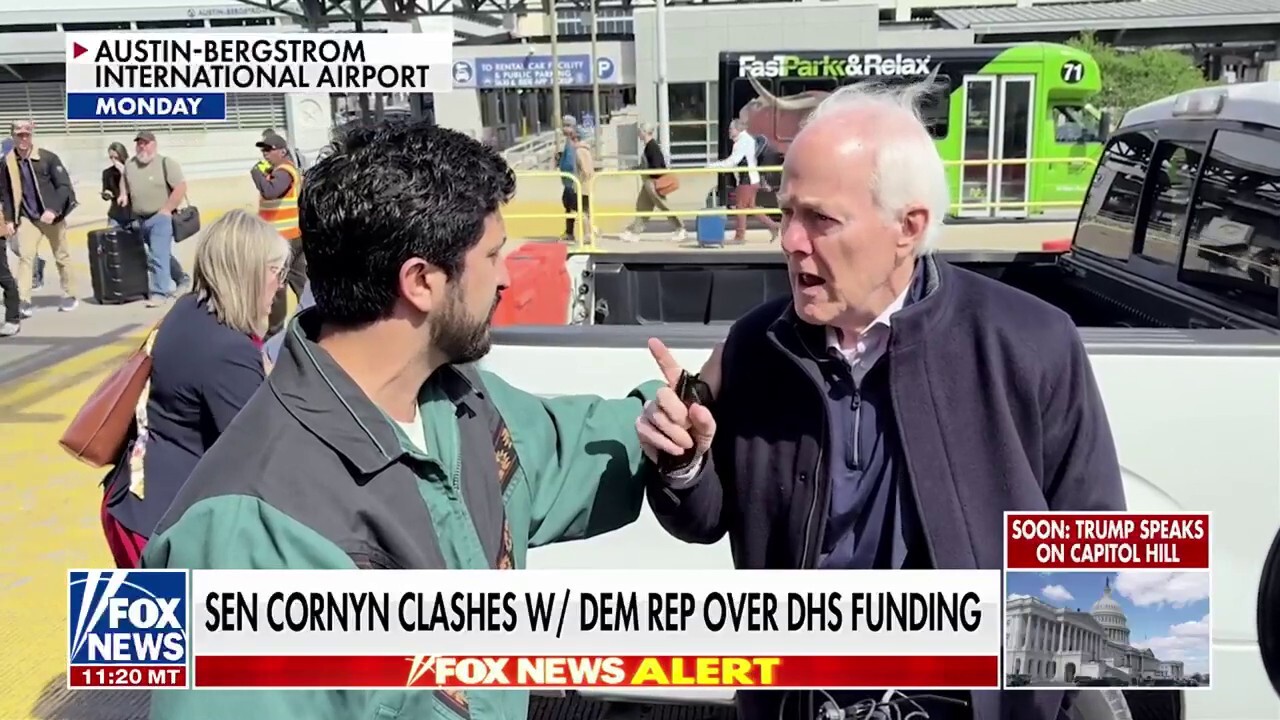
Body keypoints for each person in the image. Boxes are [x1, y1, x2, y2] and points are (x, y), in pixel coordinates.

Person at [636, 82, 1129, 720]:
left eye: (821, 219)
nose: (790, 240)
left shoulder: (1030, 341)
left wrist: (1039, 705)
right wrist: (682, 462)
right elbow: (704, 521)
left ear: (908, 227)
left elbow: (1096, 545)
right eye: (786, 213)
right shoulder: (758, 346)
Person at [142, 121, 662, 719]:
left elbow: (566, 447)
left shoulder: (458, 401)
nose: (506, 278)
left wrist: (685, 400)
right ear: (420, 282)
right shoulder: (246, 536)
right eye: (492, 255)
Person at [100, 209, 288, 569]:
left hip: (135, 498)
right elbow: (261, 457)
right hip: (162, 523)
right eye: (275, 271)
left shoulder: (189, 309)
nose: (280, 285)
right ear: (247, 272)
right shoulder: (228, 350)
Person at [0, 120, 78, 315]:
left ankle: (70, 294)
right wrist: (9, 219)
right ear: (13, 136)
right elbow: (6, 193)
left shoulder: (47, 158)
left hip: (52, 216)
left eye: (26, 134)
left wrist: (53, 210)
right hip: (28, 217)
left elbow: (64, 186)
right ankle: (24, 300)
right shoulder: (7, 162)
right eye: (19, 135)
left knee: (61, 255)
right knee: (25, 256)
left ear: (31, 135)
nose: (23, 138)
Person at [103, 141, 189, 292]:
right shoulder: (108, 173)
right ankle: (128, 285)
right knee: (116, 251)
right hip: (117, 215)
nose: (114, 161)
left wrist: (123, 173)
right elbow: (109, 189)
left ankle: (179, 277)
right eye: (111, 158)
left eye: (116, 157)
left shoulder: (133, 168)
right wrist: (108, 193)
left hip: (135, 216)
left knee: (155, 252)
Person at [122, 130, 189, 308]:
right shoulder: (130, 164)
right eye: (139, 143)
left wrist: (167, 209)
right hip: (139, 219)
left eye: (146, 143)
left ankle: (160, 293)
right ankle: (182, 279)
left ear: (154, 144)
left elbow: (181, 187)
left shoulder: (166, 163)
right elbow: (124, 180)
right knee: (159, 254)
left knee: (158, 255)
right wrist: (123, 194)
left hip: (160, 218)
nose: (142, 147)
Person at [252, 130, 306, 337]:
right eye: (263, 150)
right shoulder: (278, 171)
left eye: (269, 150)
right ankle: (315, 318)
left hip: (284, 239)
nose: (265, 154)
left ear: (282, 152)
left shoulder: (285, 171)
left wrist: (256, 172)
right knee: (300, 281)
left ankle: (274, 333)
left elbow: (270, 191)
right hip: (288, 236)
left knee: (276, 285)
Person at [710, 119, 779, 244]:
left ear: (738, 129)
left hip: (746, 180)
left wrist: (713, 166)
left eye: (731, 129)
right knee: (750, 207)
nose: (729, 131)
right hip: (752, 179)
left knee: (741, 207)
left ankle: (740, 237)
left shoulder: (742, 142)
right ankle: (772, 225)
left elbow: (732, 162)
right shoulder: (746, 140)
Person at [619, 123, 686, 243]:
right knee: (642, 207)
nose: (638, 134)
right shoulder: (649, 146)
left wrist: (648, 176)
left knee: (663, 206)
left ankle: (680, 228)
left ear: (645, 132)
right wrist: (633, 169)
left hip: (653, 183)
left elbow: (657, 166)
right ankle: (635, 232)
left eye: (640, 131)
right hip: (649, 182)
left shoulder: (652, 147)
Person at [565, 127, 597, 244]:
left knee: (582, 211)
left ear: (575, 139)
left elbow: (585, 169)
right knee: (585, 211)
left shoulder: (580, 151)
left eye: (572, 139)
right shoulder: (586, 150)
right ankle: (590, 232)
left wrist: (579, 180)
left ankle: (588, 234)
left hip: (583, 186)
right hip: (587, 185)